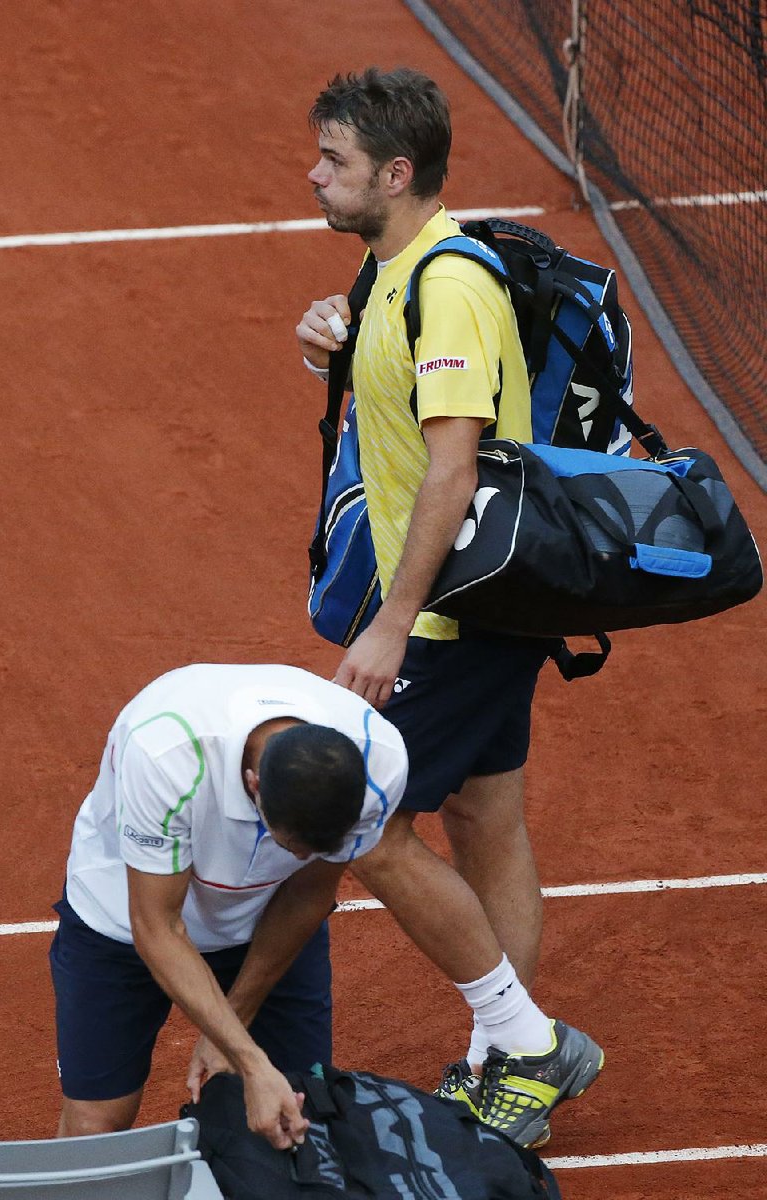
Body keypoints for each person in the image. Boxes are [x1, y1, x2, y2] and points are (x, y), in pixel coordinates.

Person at [296, 67, 603, 1149]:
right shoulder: (392, 270)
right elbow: (400, 407)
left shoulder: (449, 286)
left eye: (332, 162)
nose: (314, 175)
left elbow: (450, 467)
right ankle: (506, 1058)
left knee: (358, 823)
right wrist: (335, 339)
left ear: (393, 172)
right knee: (482, 816)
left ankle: (521, 1042)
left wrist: (394, 620)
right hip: (468, 604)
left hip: (449, 615)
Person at [49, 662, 408, 1148]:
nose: (303, 859)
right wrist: (251, 1061)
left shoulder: (377, 762)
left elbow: (308, 892)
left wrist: (232, 1028)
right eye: (293, 846)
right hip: (123, 921)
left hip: (266, 927)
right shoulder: (168, 755)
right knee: (96, 1126)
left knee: (296, 1114)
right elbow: (158, 926)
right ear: (253, 784)